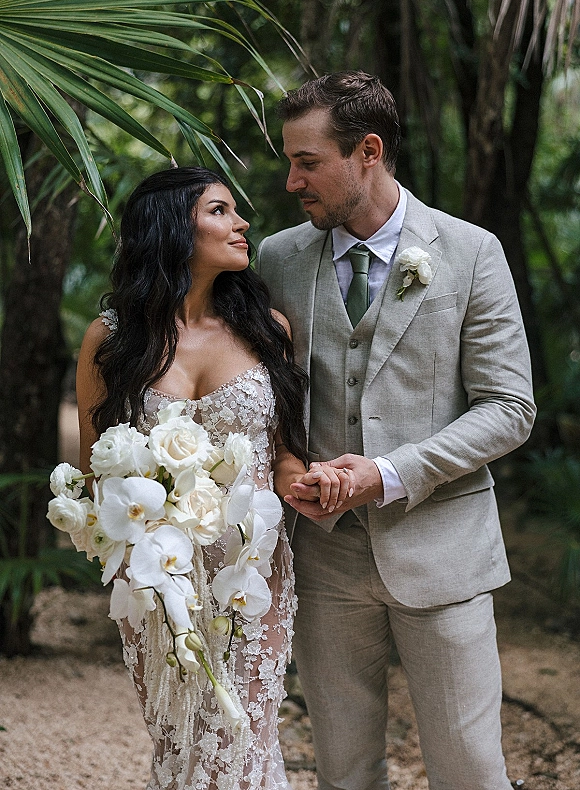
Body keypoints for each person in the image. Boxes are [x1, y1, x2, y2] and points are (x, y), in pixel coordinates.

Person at [256, 71, 537, 790]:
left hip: (443, 552)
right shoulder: (278, 259)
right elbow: (266, 394)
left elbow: (510, 407)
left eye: (307, 161)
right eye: (289, 160)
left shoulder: (472, 253)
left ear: (368, 151)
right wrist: (291, 466)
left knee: (469, 770)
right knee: (345, 772)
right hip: (324, 561)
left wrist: (386, 473)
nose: (292, 181)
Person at [76, 166, 350, 790]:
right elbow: (96, 469)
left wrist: (304, 482)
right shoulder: (111, 341)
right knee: (177, 734)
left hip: (248, 571)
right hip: (156, 578)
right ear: (174, 228)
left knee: (245, 736)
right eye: (220, 211)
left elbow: (283, 454)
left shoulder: (267, 331)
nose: (242, 223)